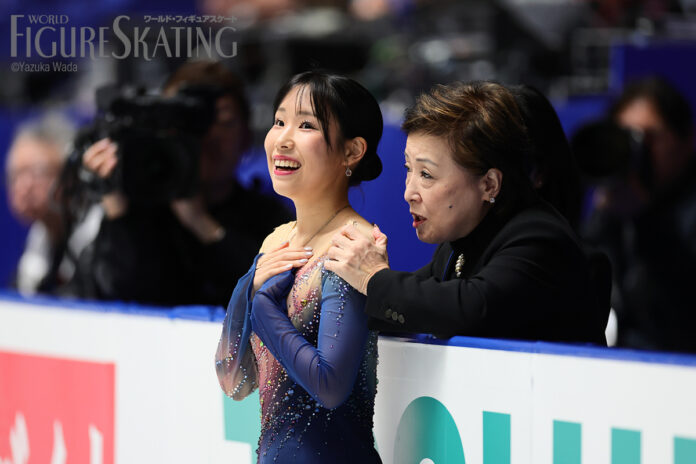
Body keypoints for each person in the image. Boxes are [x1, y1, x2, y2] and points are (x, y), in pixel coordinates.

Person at [325, 81, 608, 344]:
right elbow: (412, 307)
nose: (408, 193)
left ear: (489, 184)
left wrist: (373, 277)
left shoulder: (539, 238)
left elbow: (470, 308)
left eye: (426, 174)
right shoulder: (461, 243)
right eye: (408, 169)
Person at [215, 71, 383, 463]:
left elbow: (329, 386)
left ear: (352, 151)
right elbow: (233, 381)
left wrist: (262, 308)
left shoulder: (353, 247)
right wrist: (245, 289)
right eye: (278, 121)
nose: (282, 139)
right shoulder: (276, 241)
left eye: (306, 125)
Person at [71, 60, 292, 307]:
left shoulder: (272, 223)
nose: (207, 136)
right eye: (186, 122)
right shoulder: (137, 210)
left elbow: (271, 297)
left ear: (247, 136)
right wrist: (116, 208)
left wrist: (202, 224)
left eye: (224, 122)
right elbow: (115, 294)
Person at [579, 77, 696, 352]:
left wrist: (645, 217)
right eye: (625, 137)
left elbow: (680, 312)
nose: (636, 151)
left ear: (686, 140)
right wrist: (605, 217)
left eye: (649, 138)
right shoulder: (613, 204)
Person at [5, 114, 102, 295]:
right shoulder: (39, 237)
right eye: (16, 174)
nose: (24, 186)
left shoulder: (101, 232)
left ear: (71, 174)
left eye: (37, 172)